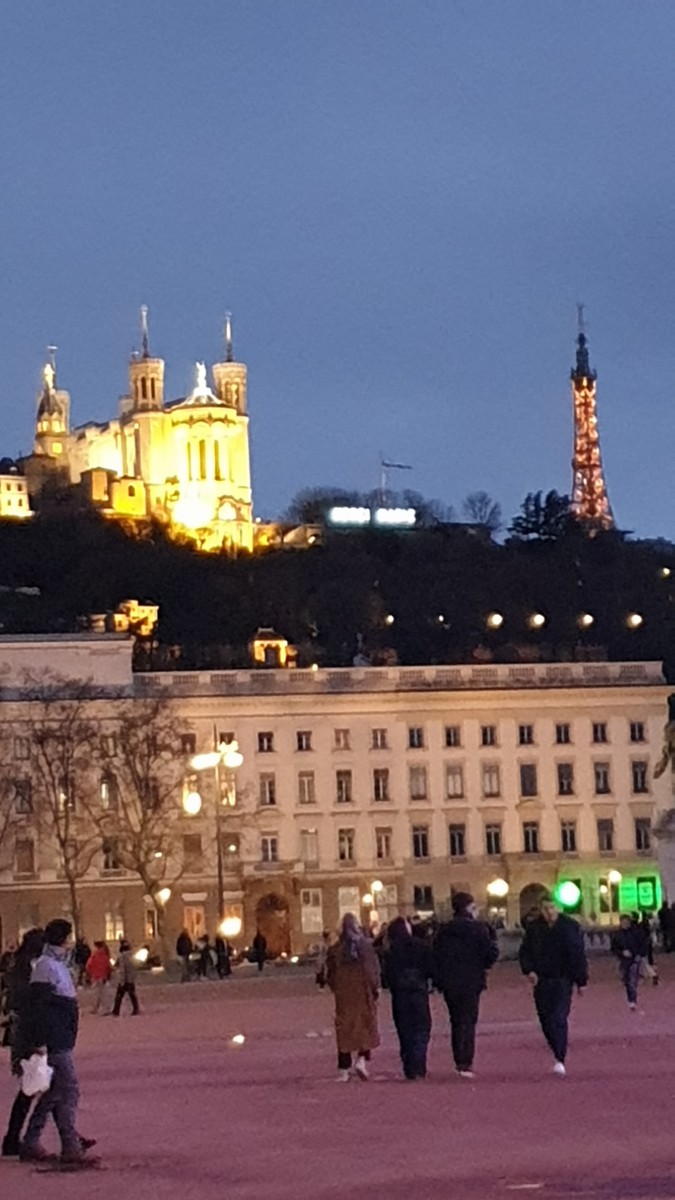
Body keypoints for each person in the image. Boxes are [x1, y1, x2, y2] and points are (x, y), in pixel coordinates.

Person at [20, 918, 97, 1167]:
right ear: (64, 939)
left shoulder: (54, 964)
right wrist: (41, 1040)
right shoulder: (46, 966)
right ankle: (69, 1145)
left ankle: (33, 1141)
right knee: (68, 1090)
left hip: (61, 1035)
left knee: (55, 1092)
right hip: (55, 1038)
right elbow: (39, 1007)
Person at [519, 894, 588, 1077]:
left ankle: (560, 1056)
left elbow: (578, 955)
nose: (549, 912)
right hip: (541, 979)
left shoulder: (569, 927)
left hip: (563, 978)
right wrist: (529, 970)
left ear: (558, 908)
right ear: (541, 910)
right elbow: (525, 953)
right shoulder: (534, 928)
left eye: (552, 907)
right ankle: (555, 1046)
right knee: (545, 1018)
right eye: (546, 908)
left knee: (558, 1016)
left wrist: (581, 981)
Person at [433, 892, 498, 1079]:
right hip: (471, 980)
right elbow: (490, 953)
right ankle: (466, 1062)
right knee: (468, 1021)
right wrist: (483, 965)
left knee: (456, 1021)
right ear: (469, 907)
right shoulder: (478, 929)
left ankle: (458, 1060)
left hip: (450, 982)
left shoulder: (444, 930)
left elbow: (436, 955)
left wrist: (440, 978)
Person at [2, 928, 45, 1157]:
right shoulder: (25, 970)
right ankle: (13, 1139)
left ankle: (12, 1139)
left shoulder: (20, 966)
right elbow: (25, 1004)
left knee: (39, 1088)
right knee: (37, 1089)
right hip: (28, 1036)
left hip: (23, 1035)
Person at [326, 913, 380, 1082]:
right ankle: (362, 1060)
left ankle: (344, 1068)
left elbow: (330, 974)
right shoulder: (364, 946)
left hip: (344, 994)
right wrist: (374, 987)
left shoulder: (335, 949)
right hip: (362, 991)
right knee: (365, 1026)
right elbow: (372, 970)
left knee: (344, 1029)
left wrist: (337, 987)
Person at [385, 917, 433, 1080]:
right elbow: (430, 967)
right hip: (418, 990)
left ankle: (409, 1067)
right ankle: (419, 1065)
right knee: (421, 1029)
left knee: (404, 1031)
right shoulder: (421, 946)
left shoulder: (391, 950)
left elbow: (386, 975)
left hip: (399, 994)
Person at [611, 915, 649, 1010]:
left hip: (634, 959)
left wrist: (639, 955)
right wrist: (622, 952)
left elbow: (643, 944)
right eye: (623, 922)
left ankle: (632, 1000)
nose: (625, 924)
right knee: (626, 980)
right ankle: (630, 997)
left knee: (632, 980)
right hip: (623, 960)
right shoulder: (617, 935)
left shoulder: (636, 933)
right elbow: (614, 948)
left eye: (626, 922)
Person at [111, 940, 140, 1016]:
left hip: (125, 979)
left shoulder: (122, 957)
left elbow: (122, 969)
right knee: (132, 995)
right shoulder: (132, 956)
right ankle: (136, 1009)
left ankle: (116, 1011)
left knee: (119, 996)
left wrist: (122, 981)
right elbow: (135, 968)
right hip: (131, 979)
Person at [85, 942, 112, 1014]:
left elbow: (88, 966)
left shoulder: (94, 956)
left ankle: (96, 1008)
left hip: (96, 977)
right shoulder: (105, 956)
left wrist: (90, 974)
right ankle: (105, 1009)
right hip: (103, 977)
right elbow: (108, 967)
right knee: (104, 994)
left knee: (97, 994)